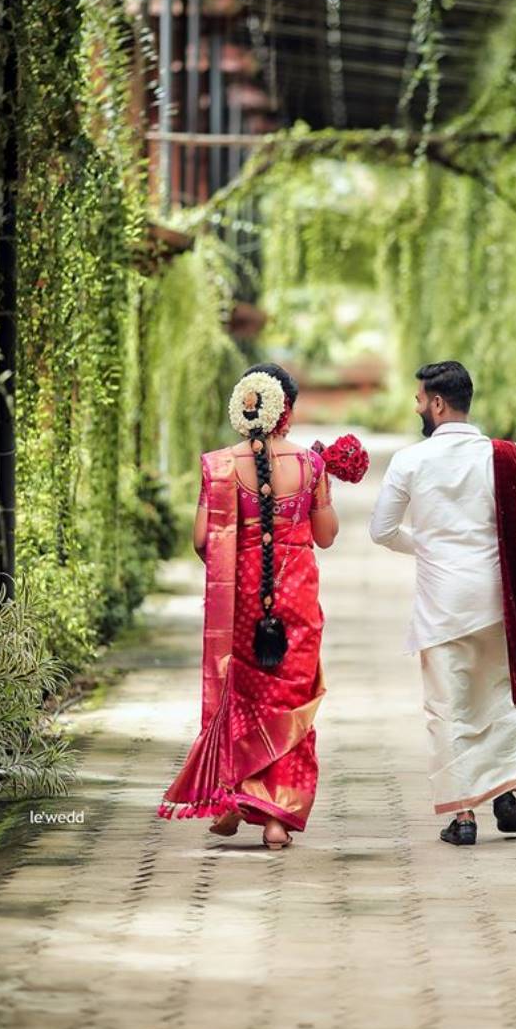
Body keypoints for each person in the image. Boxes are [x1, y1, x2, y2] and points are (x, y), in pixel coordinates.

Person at [369, 361, 516, 846]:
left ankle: (463, 818)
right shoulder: (505, 457)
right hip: (500, 601)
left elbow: (381, 530)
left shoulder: (410, 461)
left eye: (420, 400)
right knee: (500, 698)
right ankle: (505, 793)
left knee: (448, 708)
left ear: (438, 403)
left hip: (442, 606)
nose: (418, 407)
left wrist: (428, 545)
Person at [156, 363, 339, 849]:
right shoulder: (310, 466)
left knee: (245, 700)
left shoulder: (218, 466)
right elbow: (326, 536)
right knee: (290, 702)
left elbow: (201, 539)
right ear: (289, 412)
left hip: (240, 601)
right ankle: (277, 819)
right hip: (297, 599)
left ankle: (234, 802)